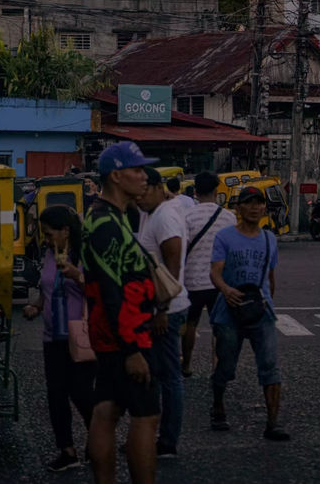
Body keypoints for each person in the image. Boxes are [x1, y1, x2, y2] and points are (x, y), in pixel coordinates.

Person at [81, 141, 160, 484]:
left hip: (115, 331)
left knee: (107, 408)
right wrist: (132, 351)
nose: (144, 177)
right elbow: (113, 292)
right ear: (116, 175)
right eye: (137, 170)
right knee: (146, 415)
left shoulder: (113, 216)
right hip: (125, 334)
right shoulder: (106, 224)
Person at [209, 185, 289, 441]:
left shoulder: (270, 238)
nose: (256, 207)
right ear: (238, 208)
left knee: (270, 366)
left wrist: (267, 304)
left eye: (259, 202)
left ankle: (273, 423)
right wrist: (225, 290)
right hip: (229, 311)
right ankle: (218, 406)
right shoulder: (224, 237)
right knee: (226, 366)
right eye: (249, 202)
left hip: (261, 312)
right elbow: (215, 272)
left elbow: (271, 277)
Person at [23, 204, 96, 473]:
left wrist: (77, 275)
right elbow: (48, 287)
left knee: (81, 392)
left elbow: (100, 289)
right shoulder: (50, 254)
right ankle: (67, 450)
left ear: (66, 231)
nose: (46, 238)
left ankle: (97, 438)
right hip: (52, 336)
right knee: (56, 395)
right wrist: (37, 306)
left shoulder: (84, 253)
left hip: (80, 334)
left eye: (49, 232)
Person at [136, 166, 190, 460]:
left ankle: (167, 442)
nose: (139, 197)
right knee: (155, 375)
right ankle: (149, 435)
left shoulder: (166, 216)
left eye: (144, 191)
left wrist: (162, 309)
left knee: (169, 377)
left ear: (157, 188)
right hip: (156, 307)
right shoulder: (153, 211)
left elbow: (173, 266)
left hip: (167, 309)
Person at [181, 171, 236, 377]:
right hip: (219, 283)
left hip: (193, 281)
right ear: (216, 190)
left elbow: (183, 249)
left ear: (195, 192)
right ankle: (216, 366)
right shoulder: (229, 217)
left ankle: (186, 365)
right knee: (218, 326)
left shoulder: (187, 217)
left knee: (190, 324)